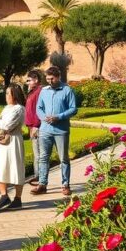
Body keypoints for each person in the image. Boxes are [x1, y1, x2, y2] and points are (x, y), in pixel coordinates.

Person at [34, 66, 78, 196]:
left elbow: (73, 109)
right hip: (45, 130)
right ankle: (42, 184)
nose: (49, 81)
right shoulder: (44, 91)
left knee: (63, 158)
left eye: (52, 79)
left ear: (58, 77)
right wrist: (44, 118)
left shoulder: (67, 90)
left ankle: (65, 185)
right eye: (47, 79)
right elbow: (39, 108)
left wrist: (58, 117)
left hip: (61, 130)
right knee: (43, 158)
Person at [0, 84, 26, 209]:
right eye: (6, 93)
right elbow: (2, 125)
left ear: (15, 95)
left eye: (9, 93)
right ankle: (4, 196)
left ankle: (17, 198)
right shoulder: (7, 108)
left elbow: (7, 126)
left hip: (13, 141)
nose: (7, 96)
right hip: (3, 141)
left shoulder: (19, 109)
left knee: (16, 168)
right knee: (0, 167)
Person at [24, 70, 43, 182]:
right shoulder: (33, 92)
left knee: (39, 154)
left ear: (36, 80)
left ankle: (39, 178)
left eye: (29, 80)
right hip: (32, 127)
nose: (27, 83)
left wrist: (36, 126)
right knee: (36, 154)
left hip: (37, 127)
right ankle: (37, 176)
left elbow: (38, 110)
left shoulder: (39, 91)